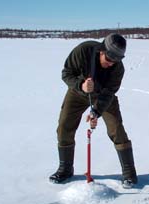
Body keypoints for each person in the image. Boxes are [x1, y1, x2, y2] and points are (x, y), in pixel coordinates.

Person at [49, 33, 138, 188]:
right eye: (109, 59)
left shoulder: (118, 69)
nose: (111, 63)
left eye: (116, 60)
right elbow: (66, 73)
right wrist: (81, 85)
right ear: (102, 51)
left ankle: (129, 173)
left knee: (116, 130)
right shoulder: (83, 51)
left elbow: (110, 92)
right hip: (77, 93)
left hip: (103, 97)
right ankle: (65, 169)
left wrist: (96, 112)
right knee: (64, 126)